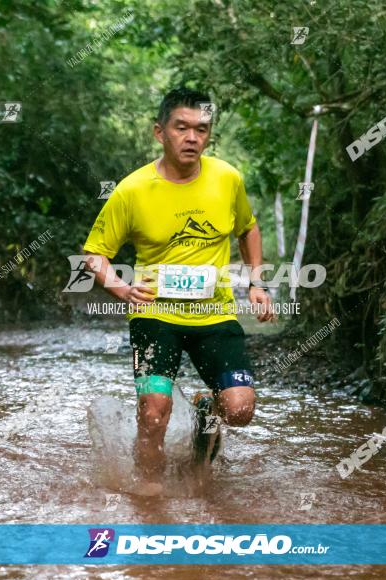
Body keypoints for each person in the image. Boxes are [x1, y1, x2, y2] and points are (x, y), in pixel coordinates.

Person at [82, 87, 274, 496]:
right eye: (181, 127)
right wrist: (121, 288)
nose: (192, 137)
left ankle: (207, 413)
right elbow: (94, 255)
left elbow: (248, 228)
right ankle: (149, 494)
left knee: (240, 409)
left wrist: (257, 282)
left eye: (201, 129)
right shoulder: (132, 190)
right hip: (155, 316)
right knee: (154, 413)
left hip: (215, 315)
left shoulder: (227, 178)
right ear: (160, 132)